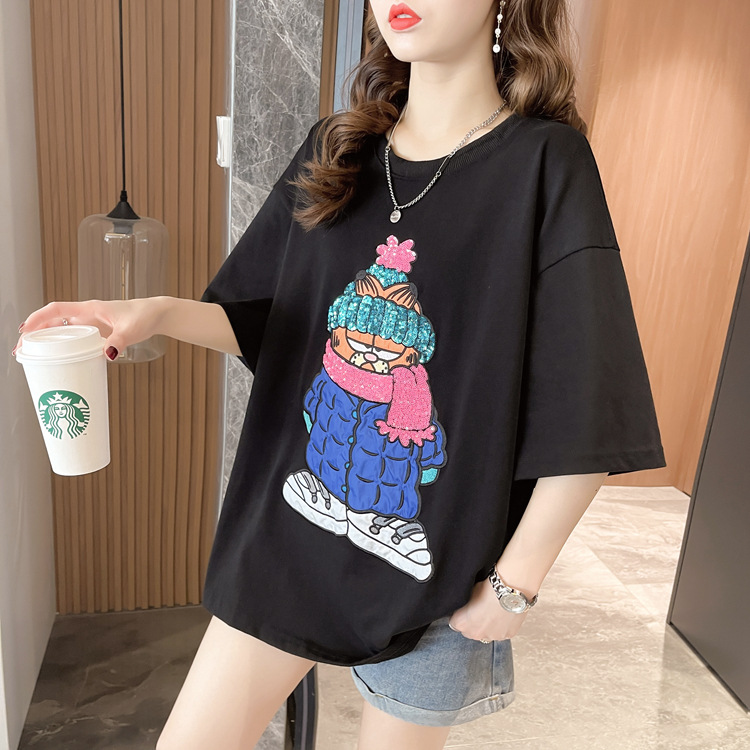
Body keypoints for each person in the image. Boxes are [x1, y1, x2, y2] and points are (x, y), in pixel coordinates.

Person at [14, 0, 667, 748]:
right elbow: (266, 319)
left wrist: (514, 586)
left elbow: (588, 395)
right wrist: (155, 311)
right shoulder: (338, 147)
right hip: (289, 540)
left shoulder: (546, 163)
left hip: (440, 576)